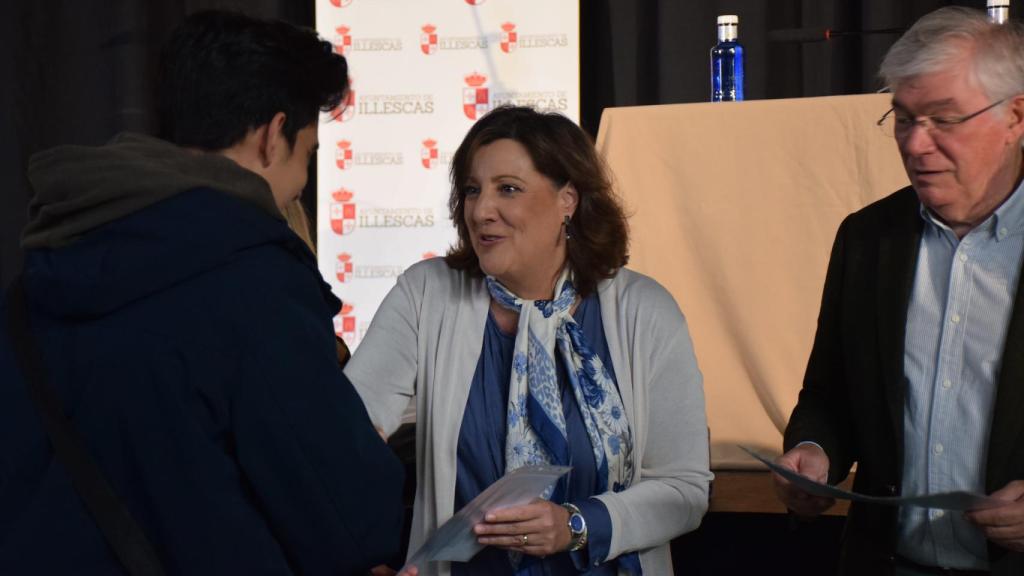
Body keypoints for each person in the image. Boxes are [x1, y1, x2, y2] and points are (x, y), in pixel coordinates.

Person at [0, 10, 403, 575]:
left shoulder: (46, 262)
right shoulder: (255, 279)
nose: (302, 183)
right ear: (271, 136)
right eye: (307, 153)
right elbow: (352, 521)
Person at [346, 105, 712, 576]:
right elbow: (347, 431)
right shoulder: (427, 294)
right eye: (473, 190)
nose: (481, 211)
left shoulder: (645, 311)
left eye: (509, 190)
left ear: (568, 200)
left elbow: (685, 490)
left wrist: (577, 525)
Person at [773, 7, 1024, 575]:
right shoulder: (867, 238)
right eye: (904, 118)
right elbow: (829, 395)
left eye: (944, 119)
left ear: (1015, 116)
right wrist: (814, 455)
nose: (915, 143)